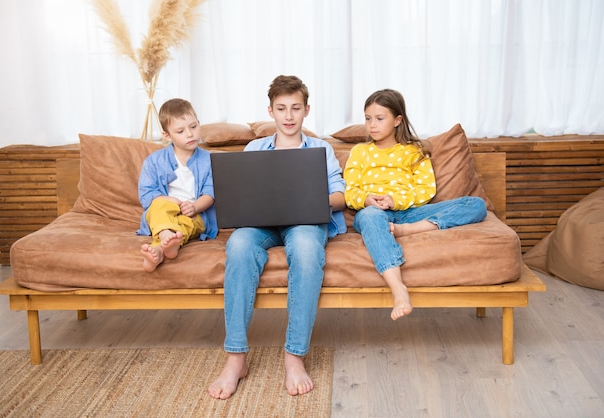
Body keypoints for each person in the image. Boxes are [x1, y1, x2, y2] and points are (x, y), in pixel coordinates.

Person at [207, 75, 347, 399]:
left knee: (307, 249)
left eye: (295, 108)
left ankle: (294, 357)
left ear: (306, 110)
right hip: (261, 223)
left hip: (305, 221)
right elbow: (240, 194)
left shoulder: (321, 150)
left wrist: (313, 199)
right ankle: (235, 358)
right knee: (239, 245)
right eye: (281, 108)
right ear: (270, 111)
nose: (288, 116)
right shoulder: (254, 148)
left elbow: (340, 197)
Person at [343, 89, 487, 321]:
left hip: (409, 214)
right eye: (368, 118)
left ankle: (408, 230)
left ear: (397, 120)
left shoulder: (414, 151)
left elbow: (425, 190)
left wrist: (395, 200)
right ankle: (398, 288)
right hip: (374, 214)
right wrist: (368, 200)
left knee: (476, 204)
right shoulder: (360, 152)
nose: (372, 125)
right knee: (369, 216)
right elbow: (350, 190)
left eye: (380, 119)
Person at [137, 98, 218, 272]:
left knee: (188, 222)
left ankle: (159, 249)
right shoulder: (154, 161)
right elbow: (146, 195)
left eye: (193, 127)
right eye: (180, 131)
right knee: (159, 205)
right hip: (164, 209)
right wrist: (168, 200)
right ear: (167, 135)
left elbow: (211, 192)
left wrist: (195, 206)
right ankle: (168, 238)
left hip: (193, 213)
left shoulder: (209, 160)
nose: (190, 134)